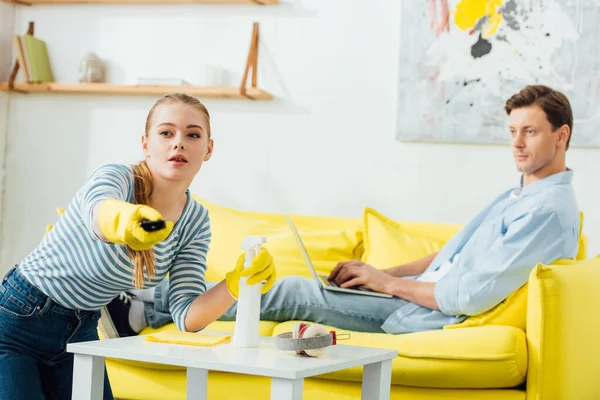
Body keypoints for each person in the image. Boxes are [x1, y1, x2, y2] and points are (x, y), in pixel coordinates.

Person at [105, 84, 580, 337]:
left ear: (561, 136)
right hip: (411, 295)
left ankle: (144, 308)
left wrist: (388, 285)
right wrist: (380, 272)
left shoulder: (546, 212)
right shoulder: (523, 194)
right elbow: (452, 255)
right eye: (513, 130)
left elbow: (470, 295)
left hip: (431, 315)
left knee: (290, 290)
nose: (516, 143)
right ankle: (142, 299)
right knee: (296, 284)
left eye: (531, 132)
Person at [0, 93, 276, 400]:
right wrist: (126, 221)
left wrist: (236, 284)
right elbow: (99, 212)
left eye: (193, 134)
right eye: (166, 133)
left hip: (81, 330)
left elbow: (187, 316)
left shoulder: (195, 221)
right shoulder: (117, 177)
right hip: (19, 319)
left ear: (208, 149)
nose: (179, 142)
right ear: (146, 144)